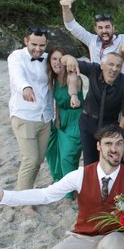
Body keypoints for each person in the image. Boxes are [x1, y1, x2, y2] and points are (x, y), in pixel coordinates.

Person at [61, 52, 124, 165]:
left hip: (110, 125)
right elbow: (64, 60)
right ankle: (91, 182)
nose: (114, 69)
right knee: (89, 162)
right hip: (87, 121)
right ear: (102, 65)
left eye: (118, 66)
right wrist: (70, 58)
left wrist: (117, 135)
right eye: (111, 64)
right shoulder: (94, 69)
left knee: (111, 161)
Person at [7, 27, 54, 195]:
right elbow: (16, 75)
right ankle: (23, 200)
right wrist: (25, 87)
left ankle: (26, 192)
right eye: (34, 44)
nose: (38, 49)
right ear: (26, 40)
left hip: (45, 117)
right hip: (24, 115)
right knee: (30, 160)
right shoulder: (16, 57)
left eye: (42, 45)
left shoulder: (48, 58)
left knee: (38, 160)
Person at [59, 0, 124, 63]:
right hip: (97, 85)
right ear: (95, 29)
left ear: (113, 28)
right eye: (100, 28)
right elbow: (72, 26)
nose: (104, 31)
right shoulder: (91, 40)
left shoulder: (122, 39)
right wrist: (65, 8)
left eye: (107, 27)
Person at [45, 47, 83, 189]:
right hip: (62, 119)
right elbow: (58, 101)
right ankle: (59, 181)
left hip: (76, 119)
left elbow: (72, 86)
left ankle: (69, 191)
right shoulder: (53, 79)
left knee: (68, 156)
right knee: (54, 152)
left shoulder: (72, 75)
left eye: (60, 59)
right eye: (54, 59)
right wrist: (57, 118)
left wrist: (73, 96)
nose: (57, 62)